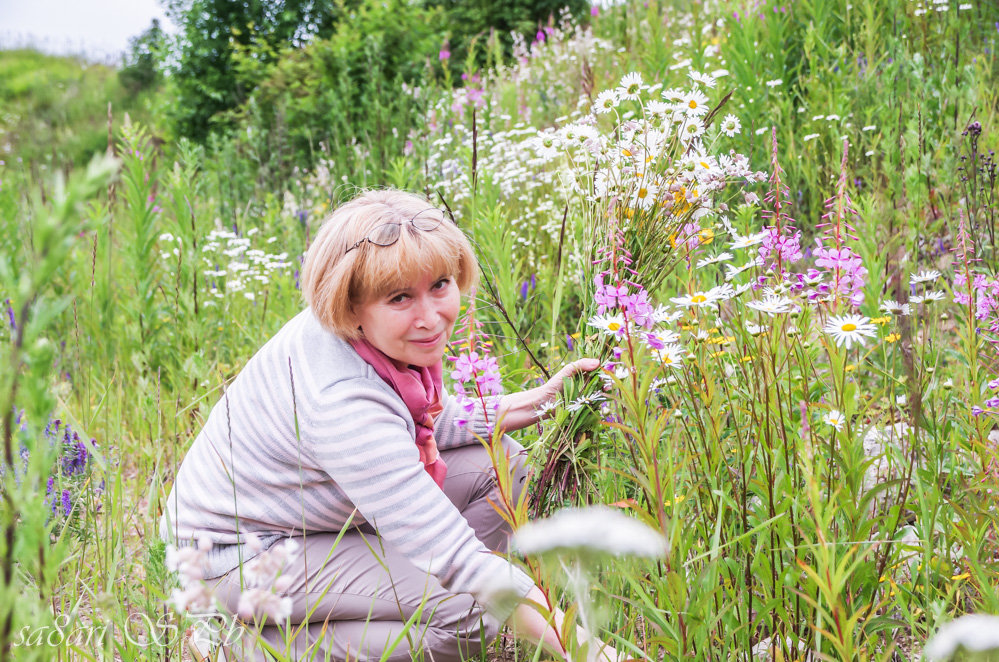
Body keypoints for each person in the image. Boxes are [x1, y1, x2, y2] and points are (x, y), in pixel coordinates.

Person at [162, 189, 616, 661]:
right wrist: (593, 652)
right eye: (400, 297)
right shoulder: (341, 400)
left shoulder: (371, 343)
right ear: (352, 304)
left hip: (309, 521)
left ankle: (418, 600)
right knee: (474, 610)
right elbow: (455, 554)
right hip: (233, 557)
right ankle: (240, 645)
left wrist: (533, 404)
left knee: (504, 467)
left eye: (440, 284)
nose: (431, 318)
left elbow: (412, 424)